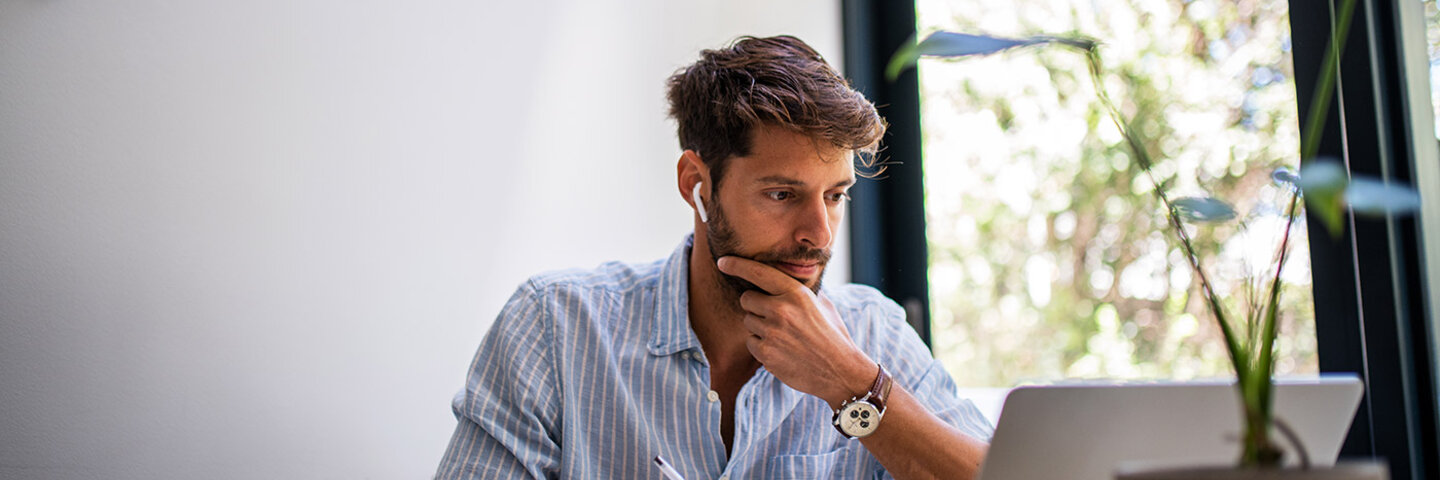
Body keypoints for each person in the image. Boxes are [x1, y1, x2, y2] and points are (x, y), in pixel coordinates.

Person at [435, 35, 992, 479]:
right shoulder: (555, 326)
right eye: (783, 194)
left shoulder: (874, 334)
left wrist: (852, 384)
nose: (818, 234)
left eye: (835, 195)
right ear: (696, 184)